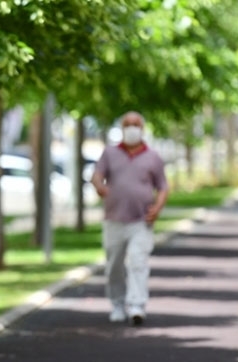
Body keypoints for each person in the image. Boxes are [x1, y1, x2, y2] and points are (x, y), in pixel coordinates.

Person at [91, 111, 169, 326]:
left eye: (136, 124)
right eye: (128, 124)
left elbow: (162, 187)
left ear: (142, 128)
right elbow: (97, 175)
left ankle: (137, 305)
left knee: (138, 262)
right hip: (114, 220)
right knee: (114, 265)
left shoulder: (153, 157)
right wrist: (99, 186)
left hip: (141, 221)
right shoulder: (109, 153)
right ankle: (117, 304)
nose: (132, 127)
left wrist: (158, 208)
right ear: (122, 127)